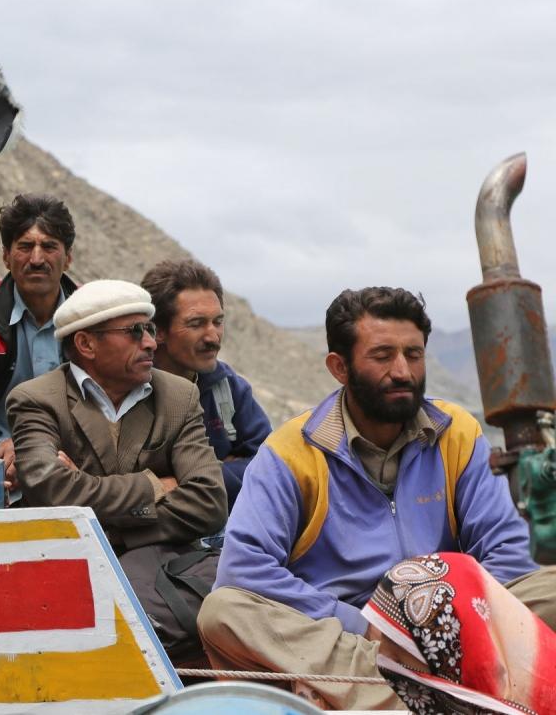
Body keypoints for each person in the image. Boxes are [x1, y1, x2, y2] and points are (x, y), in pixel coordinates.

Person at [198, 287, 556, 711]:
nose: (403, 371)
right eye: (383, 356)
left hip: (454, 622)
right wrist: (366, 624)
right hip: (352, 640)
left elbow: (510, 550)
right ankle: (411, 701)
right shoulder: (290, 452)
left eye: (414, 354)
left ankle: (425, 690)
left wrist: (443, 624)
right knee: (224, 611)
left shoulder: (457, 432)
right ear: (340, 367)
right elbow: (243, 569)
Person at [8, 280, 227, 658]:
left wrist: (104, 520)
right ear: (86, 344)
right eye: (134, 331)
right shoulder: (37, 400)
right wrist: (154, 485)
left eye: (150, 329)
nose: (151, 343)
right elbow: (49, 487)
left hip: (164, 585)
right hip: (66, 577)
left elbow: (209, 502)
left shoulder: (179, 396)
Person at [0, 194, 78, 500]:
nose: (37, 259)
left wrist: (38, 451)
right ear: (5, 256)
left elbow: (104, 397)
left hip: (72, 455)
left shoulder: (89, 317)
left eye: (49, 247)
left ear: (68, 258)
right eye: (25, 247)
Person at [140, 259, 271, 507]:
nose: (213, 337)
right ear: (157, 331)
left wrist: (190, 481)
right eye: (196, 324)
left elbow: (271, 465)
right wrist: (229, 471)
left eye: (218, 322)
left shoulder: (229, 388)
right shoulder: (128, 391)